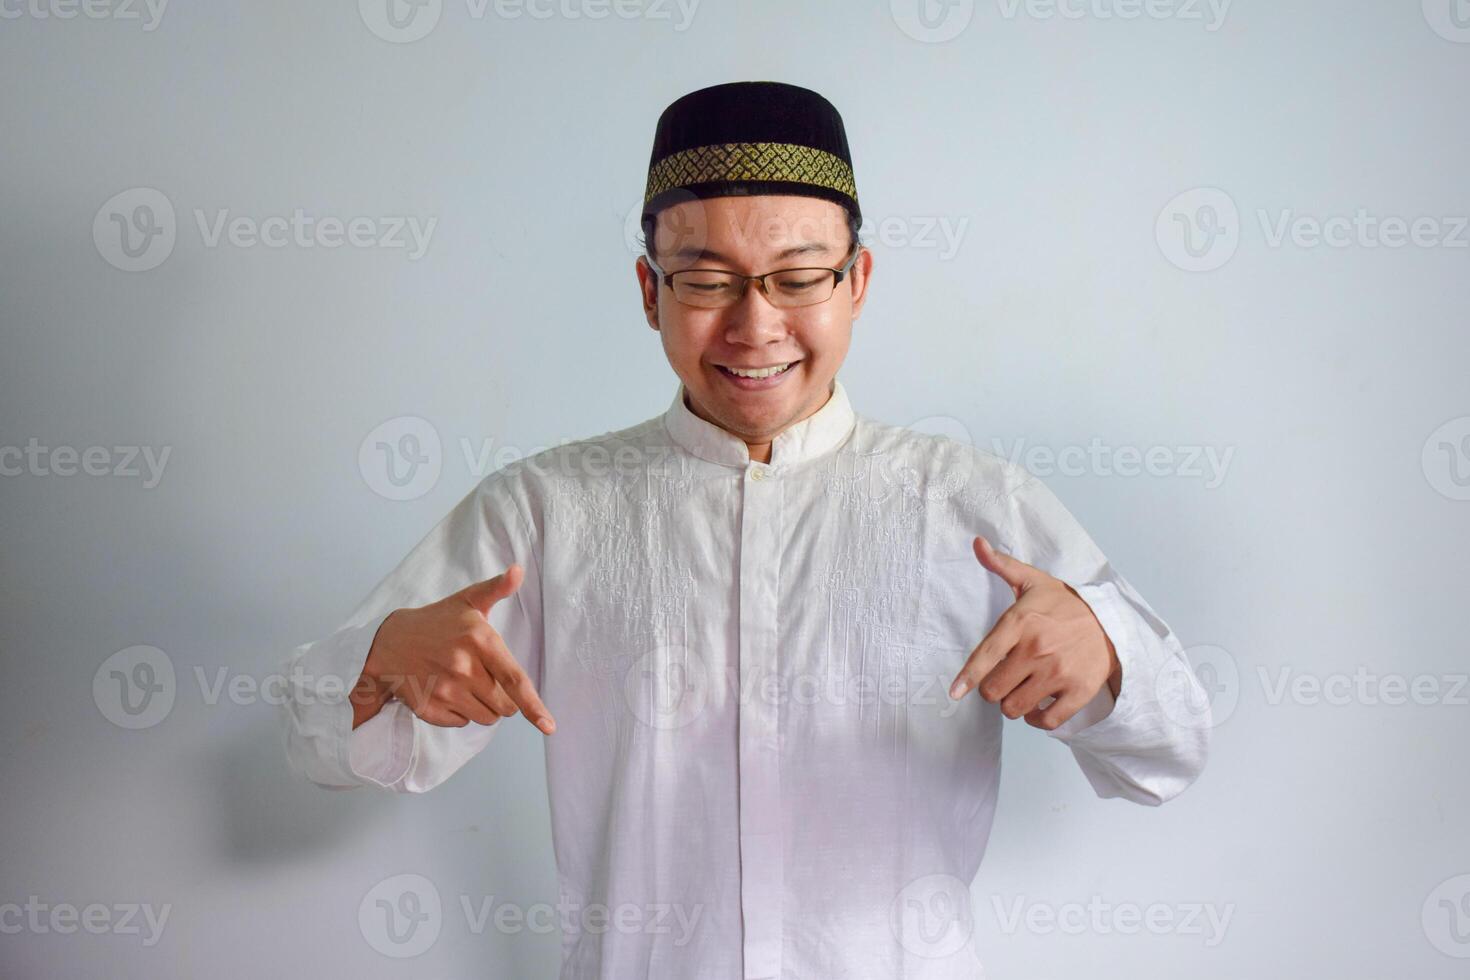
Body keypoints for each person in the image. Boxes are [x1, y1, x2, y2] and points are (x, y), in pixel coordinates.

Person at [279, 80, 1211, 980]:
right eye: (706, 280)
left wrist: (1107, 647)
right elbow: (317, 740)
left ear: (858, 283)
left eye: (799, 277)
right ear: (649, 292)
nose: (755, 324)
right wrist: (381, 660)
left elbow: (1173, 749)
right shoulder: (542, 511)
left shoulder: (973, 506)